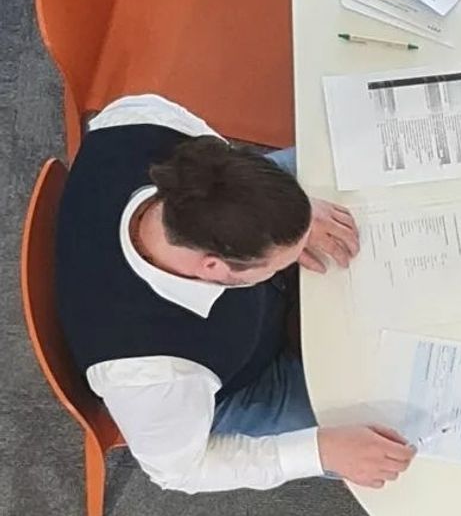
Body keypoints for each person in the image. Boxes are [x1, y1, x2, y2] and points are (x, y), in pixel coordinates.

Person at [55, 94, 413, 493]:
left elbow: (225, 162)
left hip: (229, 252)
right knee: (397, 434)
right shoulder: (153, 376)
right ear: (214, 268)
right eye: (279, 263)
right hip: (236, 382)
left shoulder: (138, 120)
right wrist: (320, 451)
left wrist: (295, 218)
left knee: (368, 156)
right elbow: (179, 471)